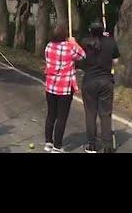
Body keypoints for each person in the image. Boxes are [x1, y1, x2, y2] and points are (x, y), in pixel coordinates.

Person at [43, 23, 86, 153]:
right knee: (62, 117)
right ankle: (57, 146)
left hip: (50, 86)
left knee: (51, 114)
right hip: (65, 88)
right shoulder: (69, 47)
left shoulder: (49, 46)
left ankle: (48, 142)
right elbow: (83, 55)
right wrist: (74, 42)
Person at [78, 22, 119, 153]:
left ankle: (92, 145)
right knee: (105, 114)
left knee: (90, 114)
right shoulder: (111, 42)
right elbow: (116, 61)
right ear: (103, 30)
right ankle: (107, 145)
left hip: (89, 81)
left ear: (90, 30)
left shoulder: (84, 42)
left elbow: (77, 57)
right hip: (106, 81)